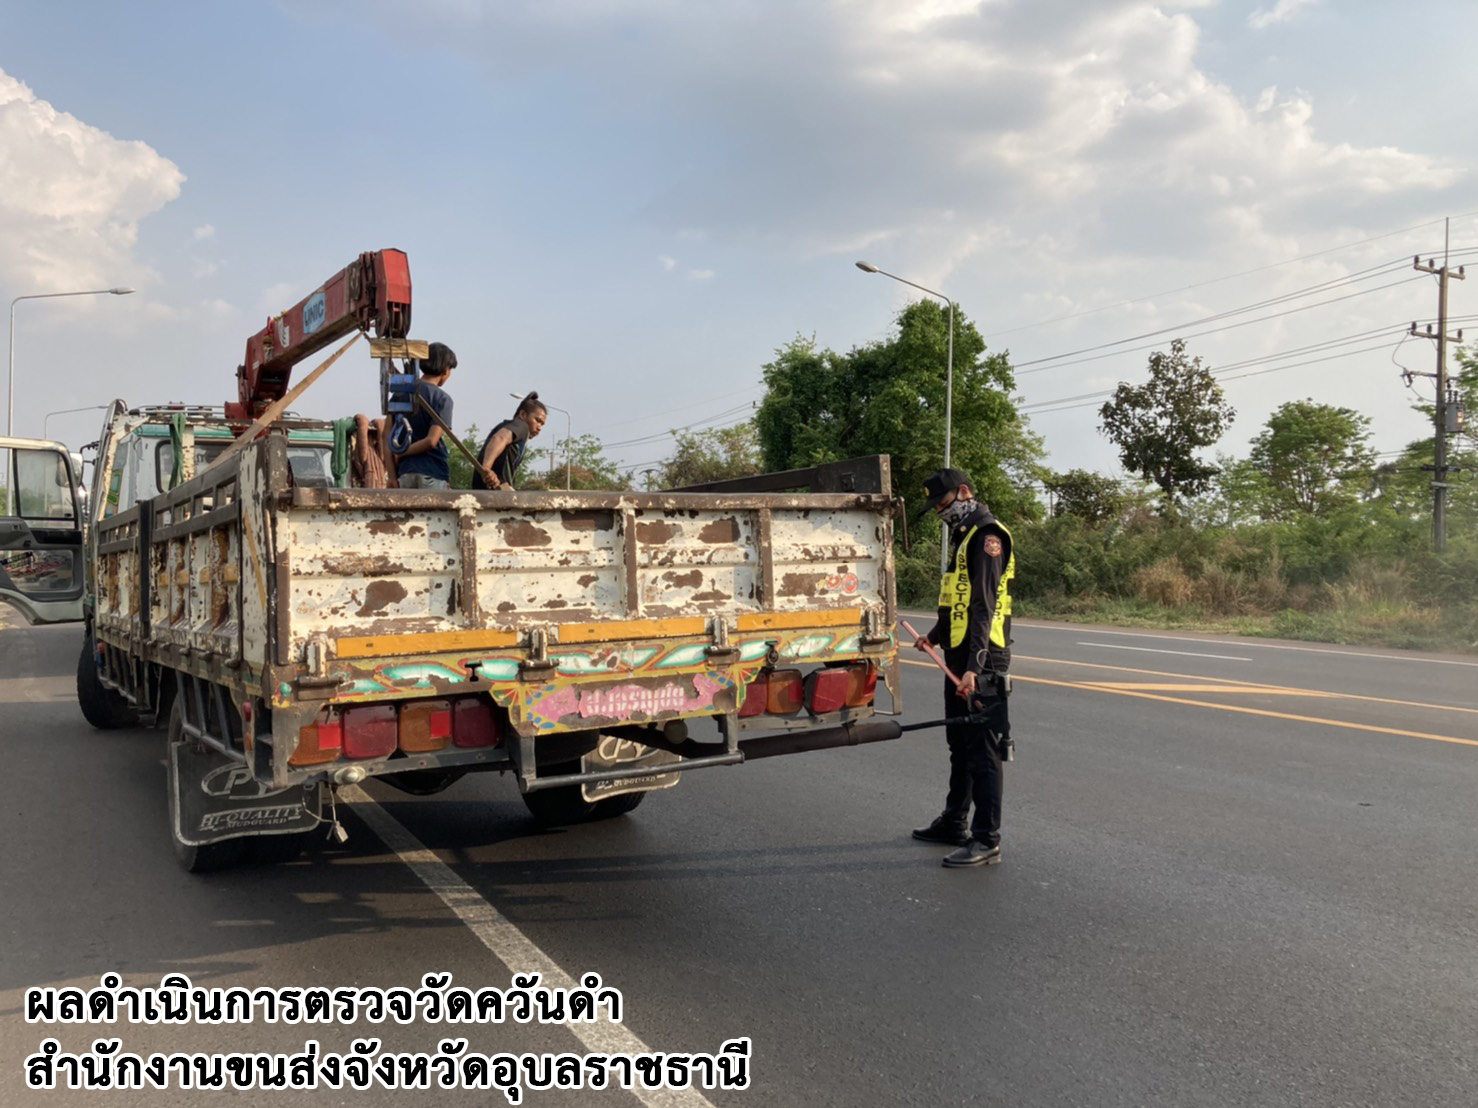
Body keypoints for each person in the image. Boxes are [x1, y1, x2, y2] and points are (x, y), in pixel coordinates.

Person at [911, 467, 1016, 868]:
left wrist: (975, 666)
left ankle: (987, 838)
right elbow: (958, 600)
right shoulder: (962, 535)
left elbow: (983, 605)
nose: (940, 512)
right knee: (960, 744)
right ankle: (954, 821)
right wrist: (935, 637)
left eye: (943, 503)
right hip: (958, 655)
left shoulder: (987, 536)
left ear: (965, 493)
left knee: (983, 751)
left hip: (983, 659)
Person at [394, 342, 457, 489]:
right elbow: (431, 441)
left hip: (405, 474)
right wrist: (403, 453)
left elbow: (387, 436)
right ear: (446, 371)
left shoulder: (400, 394)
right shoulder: (443, 399)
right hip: (433, 473)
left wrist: (391, 476)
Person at [472, 392, 548, 490]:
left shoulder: (506, 427)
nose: (539, 427)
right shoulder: (522, 426)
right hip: (494, 495)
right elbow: (500, 438)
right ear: (523, 414)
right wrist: (486, 468)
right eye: (537, 420)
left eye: (542, 424)